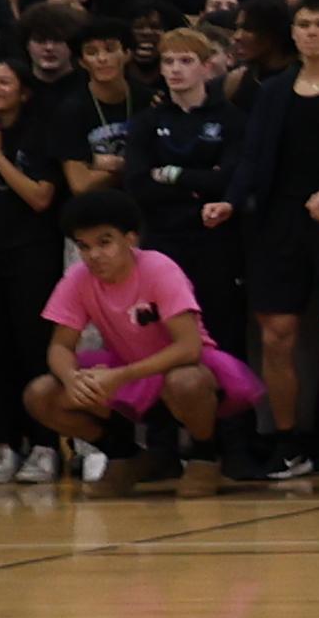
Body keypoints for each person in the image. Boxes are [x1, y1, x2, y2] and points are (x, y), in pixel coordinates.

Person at [36, 183, 242, 485]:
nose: (94, 255)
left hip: (181, 369)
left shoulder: (159, 269)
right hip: (130, 374)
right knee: (41, 394)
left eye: (104, 242)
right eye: (84, 246)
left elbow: (189, 348)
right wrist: (72, 379)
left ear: (130, 238)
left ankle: (204, 456)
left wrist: (120, 376)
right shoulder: (78, 278)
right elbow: (59, 347)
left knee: (186, 381)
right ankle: (125, 455)